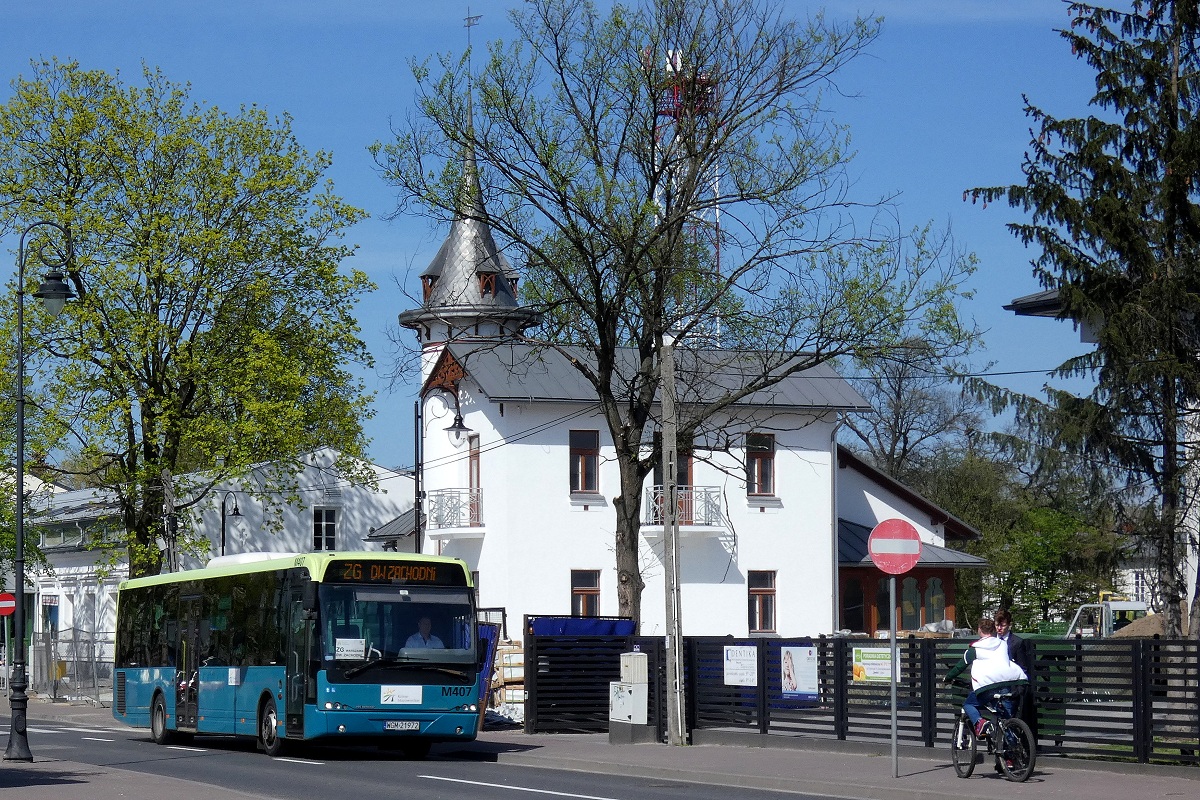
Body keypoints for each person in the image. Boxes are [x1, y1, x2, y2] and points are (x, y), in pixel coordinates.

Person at [944, 617, 1028, 739]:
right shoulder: (1003, 644)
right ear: (993, 630)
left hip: (987, 686)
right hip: (1006, 684)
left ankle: (980, 723)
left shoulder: (975, 649)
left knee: (968, 705)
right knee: (1006, 720)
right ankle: (1012, 754)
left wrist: (948, 677)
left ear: (979, 630)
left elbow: (959, 667)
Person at [995, 609, 1038, 742]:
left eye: (1002, 625)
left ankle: (1010, 754)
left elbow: (1022, 667)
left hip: (1010, 688)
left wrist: (1020, 688)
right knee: (995, 721)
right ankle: (999, 755)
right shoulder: (991, 641)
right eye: (997, 625)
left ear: (1009, 625)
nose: (999, 628)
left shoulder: (1017, 643)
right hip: (994, 686)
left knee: (1009, 721)